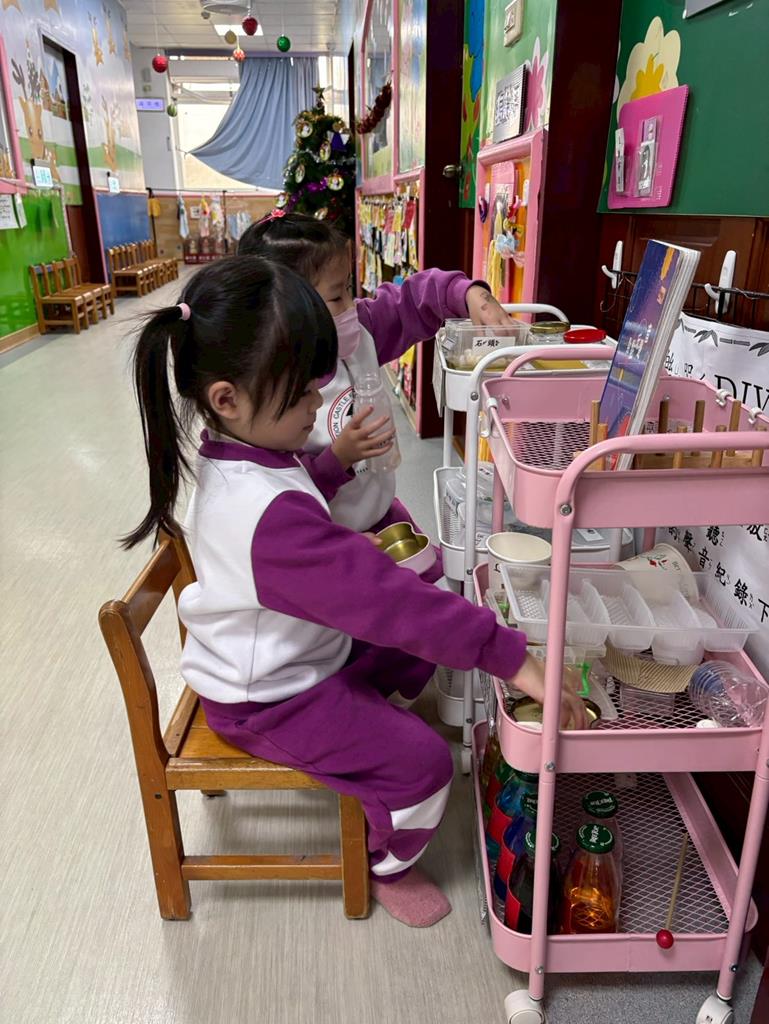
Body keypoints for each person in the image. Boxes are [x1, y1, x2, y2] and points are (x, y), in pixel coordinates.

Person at [123, 257, 586, 929]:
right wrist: (514, 658)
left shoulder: (235, 444)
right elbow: (391, 603)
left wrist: (331, 469)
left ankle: (363, 733)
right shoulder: (264, 517)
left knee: (418, 645)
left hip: (292, 653)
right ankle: (384, 861)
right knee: (423, 765)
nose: (317, 405)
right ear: (227, 398)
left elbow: (304, 514)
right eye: (301, 395)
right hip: (267, 699)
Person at [237, 213, 513, 560]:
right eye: (335, 297)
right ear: (284, 311)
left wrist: (469, 294)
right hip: (325, 542)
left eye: (348, 289)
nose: (350, 307)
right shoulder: (269, 395)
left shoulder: (361, 327)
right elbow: (282, 492)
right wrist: (339, 458)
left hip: (382, 516)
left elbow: (414, 298)